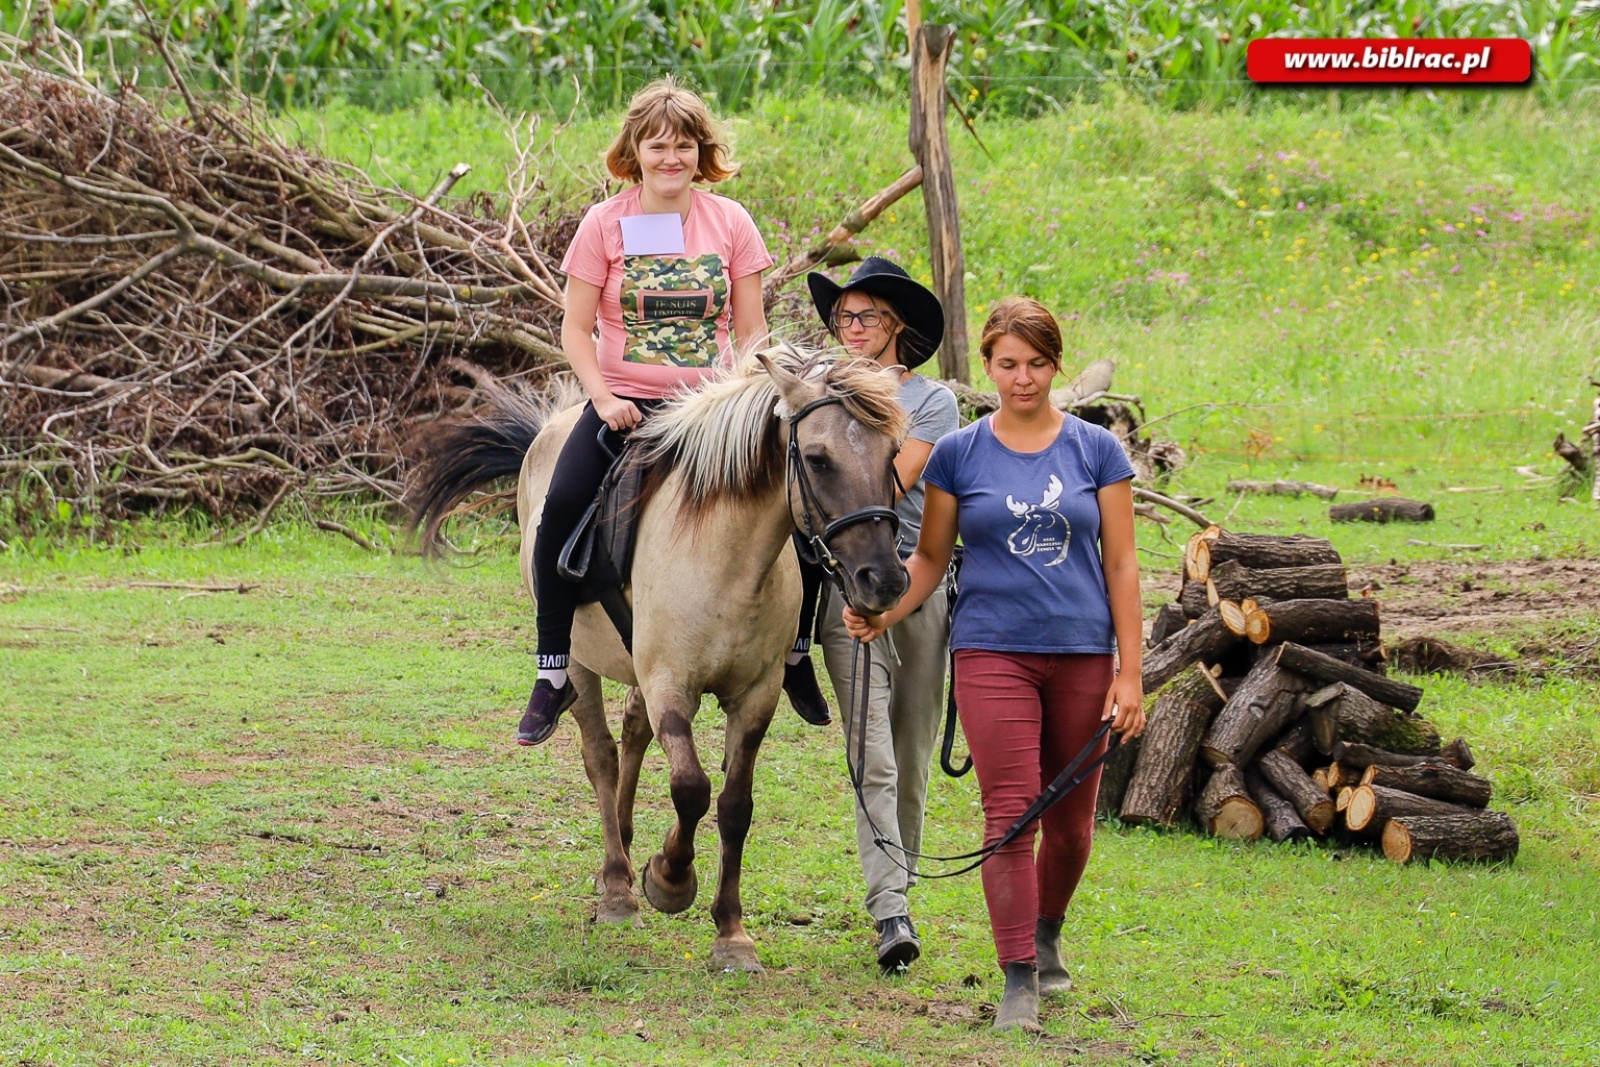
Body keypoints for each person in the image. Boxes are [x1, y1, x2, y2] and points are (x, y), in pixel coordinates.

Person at [844, 297, 1146, 1031]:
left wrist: (1130, 671)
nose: (1023, 378)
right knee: (1009, 817)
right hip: (989, 651)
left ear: (1055, 364)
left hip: (1081, 653)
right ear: (986, 365)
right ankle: (1018, 978)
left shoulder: (1095, 450)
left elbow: (1124, 563)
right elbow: (929, 557)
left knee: (1071, 826)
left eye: (1037, 363)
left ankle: (1046, 934)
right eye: (1008, 364)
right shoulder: (959, 454)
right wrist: (885, 613)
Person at [518, 77, 773, 746]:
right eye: (657, 145)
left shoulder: (731, 221)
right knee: (558, 515)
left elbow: (753, 332)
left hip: (711, 413)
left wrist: (743, 399)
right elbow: (576, 330)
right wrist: (603, 397)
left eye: (684, 146)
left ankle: (792, 652)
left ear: (702, 152)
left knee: (796, 508)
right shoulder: (604, 224)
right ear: (633, 150)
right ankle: (551, 672)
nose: (671, 158)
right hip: (623, 407)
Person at [804, 258, 960, 973]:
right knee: (872, 755)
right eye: (844, 318)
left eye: (864, 316)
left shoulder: (932, 403)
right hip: (849, 592)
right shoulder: (821, 400)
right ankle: (890, 905)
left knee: (912, 752)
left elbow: (890, 483)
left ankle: (905, 879)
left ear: (897, 326)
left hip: (918, 588)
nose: (851, 328)